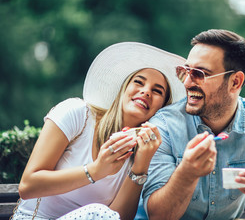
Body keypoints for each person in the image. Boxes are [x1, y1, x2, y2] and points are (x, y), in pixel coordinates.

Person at [13, 42, 186, 220]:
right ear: (123, 88)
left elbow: (119, 217)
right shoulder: (78, 115)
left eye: (157, 91)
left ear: (162, 108)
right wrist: (95, 170)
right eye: (138, 82)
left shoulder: (142, 151)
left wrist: (140, 167)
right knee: (98, 212)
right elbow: (27, 186)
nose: (145, 91)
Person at [142, 29, 245, 220]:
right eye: (185, 71)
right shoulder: (163, 125)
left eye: (199, 73)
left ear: (235, 82)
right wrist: (187, 173)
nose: (188, 83)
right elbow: (157, 216)